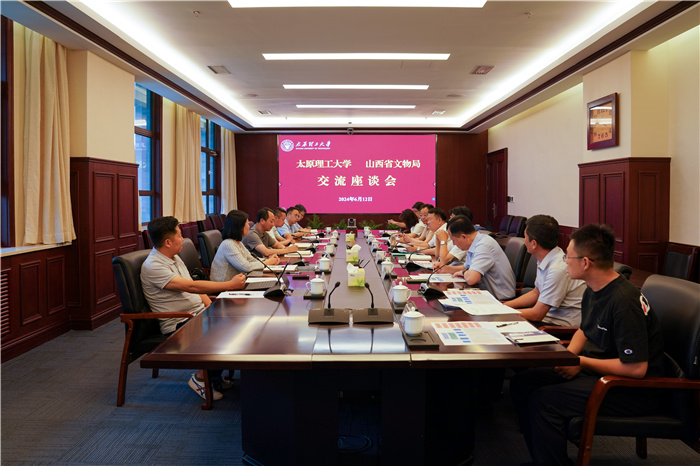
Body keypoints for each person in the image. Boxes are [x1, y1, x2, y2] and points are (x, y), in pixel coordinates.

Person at [510, 224, 665, 466]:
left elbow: (636, 369)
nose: (564, 262)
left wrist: (579, 361)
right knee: (523, 383)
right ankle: (543, 458)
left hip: (630, 388)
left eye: (568, 257)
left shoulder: (624, 302)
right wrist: (568, 358)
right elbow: (584, 329)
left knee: (544, 400)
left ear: (585, 262)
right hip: (597, 370)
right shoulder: (593, 289)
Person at [140, 216, 246, 401]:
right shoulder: (154, 266)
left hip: (196, 314)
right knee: (226, 330)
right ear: (168, 242)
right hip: (179, 322)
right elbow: (191, 287)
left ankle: (213, 378)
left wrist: (212, 309)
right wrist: (229, 285)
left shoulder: (173, 257)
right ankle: (200, 377)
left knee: (236, 320)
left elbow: (194, 286)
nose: (183, 239)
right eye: (179, 236)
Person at [503, 215, 585, 327]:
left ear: (534, 244)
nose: (524, 240)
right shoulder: (547, 257)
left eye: (525, 236)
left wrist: (503, 312)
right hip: (546, 320)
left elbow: (537, 314)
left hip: (557, 328)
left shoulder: (557, 269)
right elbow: (536, 293)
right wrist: (504, 306)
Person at [447, 215, 515, 300]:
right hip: (485, 293)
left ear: (463, 236)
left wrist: (464, 273)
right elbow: (466, 267)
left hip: (500, 298)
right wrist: (446, 269)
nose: (453, 244)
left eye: (453, 240)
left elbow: (472, 278)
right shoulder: (475, 242)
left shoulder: (484, 246)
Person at [211, 210, 280, 281]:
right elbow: (245, 267)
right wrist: (268, 262)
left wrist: (268, 260)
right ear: (240, 227)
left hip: (239, 281)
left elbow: (251, 259)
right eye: (247, 224)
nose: (249, 227)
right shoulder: (228, 244)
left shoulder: (238, 243)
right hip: (225, 285)